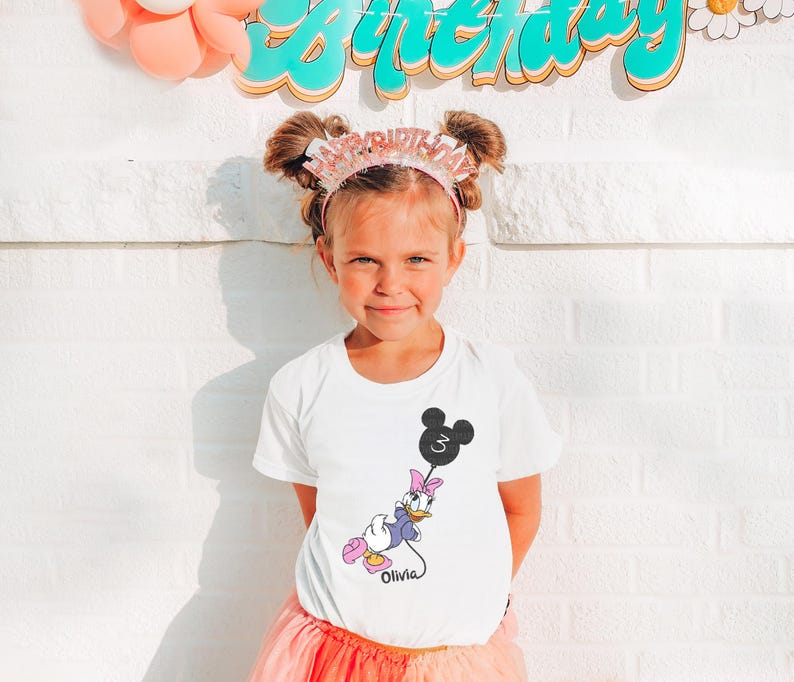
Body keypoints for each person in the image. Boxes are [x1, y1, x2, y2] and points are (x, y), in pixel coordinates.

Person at [246, 110, 563, 681]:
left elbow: (522, 506)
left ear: (453, 259)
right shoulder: (301, 386)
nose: (390, 284)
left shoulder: (490, 379)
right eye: (365, 259)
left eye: (416, 259)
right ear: (329, 259)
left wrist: (477, 597)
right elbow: (324, 518)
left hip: (456, 661)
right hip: (333, 655)